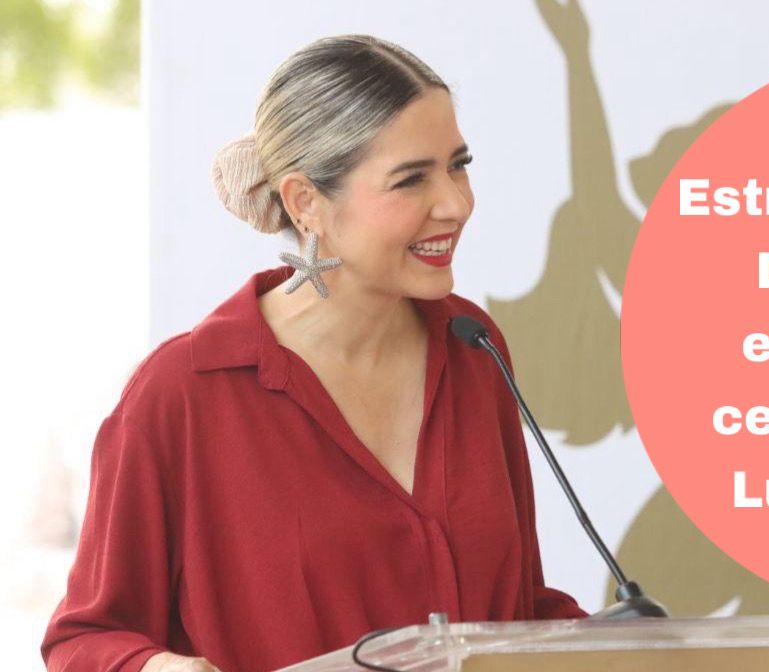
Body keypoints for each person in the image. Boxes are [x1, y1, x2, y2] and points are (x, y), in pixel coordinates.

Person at [40, 34, 587, 672]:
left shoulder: (472, 346)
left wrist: (632, 646)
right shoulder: (182, 394)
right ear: (306, 202)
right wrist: (163, 668)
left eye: (458, 165)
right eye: (411, 179)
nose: (457, 204)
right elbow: (84, 640)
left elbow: (517, 607)